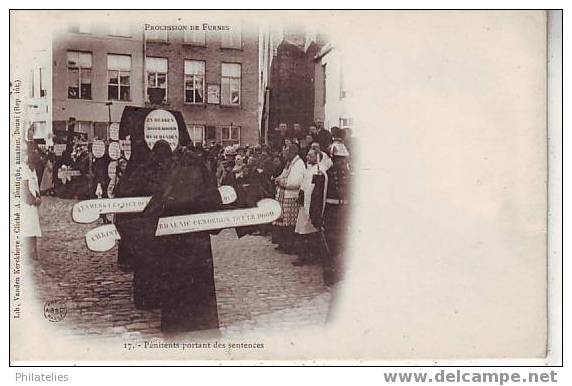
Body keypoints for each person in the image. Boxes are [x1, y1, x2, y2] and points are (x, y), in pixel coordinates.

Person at [293, 149, 328, 266]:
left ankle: (307, 257)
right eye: (307, 155)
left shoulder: (318, 171)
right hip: (304, 203)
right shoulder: (309, 169)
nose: (307, 157)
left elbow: (313, 189)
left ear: (317, 157)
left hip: (310, 204)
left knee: (308, 230)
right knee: (302, 229)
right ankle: (304, 256)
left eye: (310, 155)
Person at [272, 143, 305, 253]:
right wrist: (278, 179)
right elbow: (283, 175)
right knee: (282, 223)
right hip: (284, 196)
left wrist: (280, 182)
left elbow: (295, 182)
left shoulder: (298, 164)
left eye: (286, 152)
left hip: (291, 197)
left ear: (292, 152)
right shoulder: (289, 163)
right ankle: (283, 244)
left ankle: (289, 246)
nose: (284, 154)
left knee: (289, 225)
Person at [22, 142, 42, 260]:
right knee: (28, 230)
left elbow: (33, 185)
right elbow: (24, 191)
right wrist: (35, 200)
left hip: (30, 207)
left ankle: (32, 255)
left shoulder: (29, 169)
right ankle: (30, 256)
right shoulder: (22, 169)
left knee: (31, 230)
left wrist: (38, 195)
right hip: (26, 207)